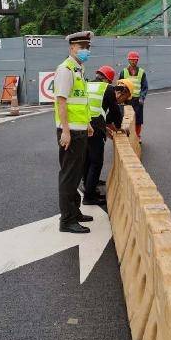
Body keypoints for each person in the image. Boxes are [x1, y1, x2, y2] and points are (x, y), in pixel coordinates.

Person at [54, 31, 94, 234]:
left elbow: (79, 102)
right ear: (72, 48)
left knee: (76, 173)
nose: (86, 50)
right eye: (81, 47)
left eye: (88, 47)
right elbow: (61, 101)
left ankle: (75, 211)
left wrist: (87, 123)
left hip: (80, 130)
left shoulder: (79, 69)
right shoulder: (66, 70)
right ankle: (67, 220)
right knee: (68, 176)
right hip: (70, 132)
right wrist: (66, 131)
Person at [82, 65, 123, 207]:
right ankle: (89, 196)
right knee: (96, 161)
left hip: (83, 124)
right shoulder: (107, 89)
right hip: (96, 126)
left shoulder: (86, 84)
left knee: (87, 158)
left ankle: (88, 185)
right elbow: (115, 110)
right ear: (107, 79)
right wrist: (118, 127)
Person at [120, 51, 148, 142]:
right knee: (127, 118)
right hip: (127, 99)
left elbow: (144, 87)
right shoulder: (123, 72)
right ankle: (127, 134)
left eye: (135, 60)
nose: (133, 62)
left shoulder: (141, 72)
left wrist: (142, 97)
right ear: (128, 60)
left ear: (137, 61)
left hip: (138, 100)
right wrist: (121, 98)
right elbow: (120, 86)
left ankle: (137, 135)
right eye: (131, 60)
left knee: (138, 119)